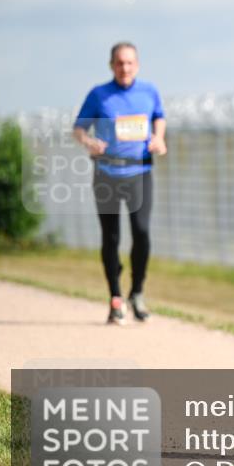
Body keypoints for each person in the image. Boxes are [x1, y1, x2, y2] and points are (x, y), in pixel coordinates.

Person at [73, 42, 167, 325]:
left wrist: (159, 138)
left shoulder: (149, 92)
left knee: (141, 232)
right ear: (111, 65)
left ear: (137, 65)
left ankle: (137, 292)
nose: (124, 68)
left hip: (138, 173)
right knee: (111, 237)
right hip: (106, 175)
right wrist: (89, 142)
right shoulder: (99, 95)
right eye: (119, 63)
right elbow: (78, 128)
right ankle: (115, 298)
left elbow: (159, 118)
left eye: (129, 63)